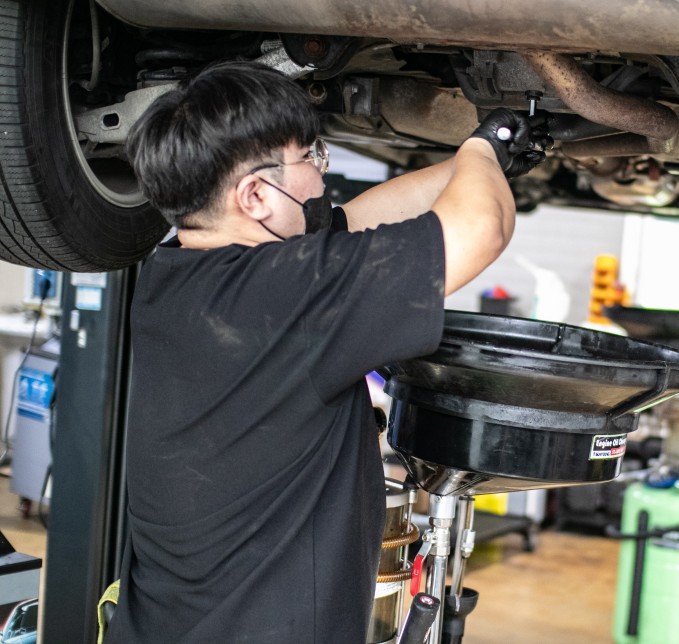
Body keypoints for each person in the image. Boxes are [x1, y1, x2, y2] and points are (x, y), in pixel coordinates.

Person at [104, 60, 547, 643]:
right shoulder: (289, 295)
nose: (320, 176)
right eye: (310, 157)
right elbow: (481, 229)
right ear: (256, 195)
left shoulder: (176, 271)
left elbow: (358, 222)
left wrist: (479, 156)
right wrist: (484, 155)